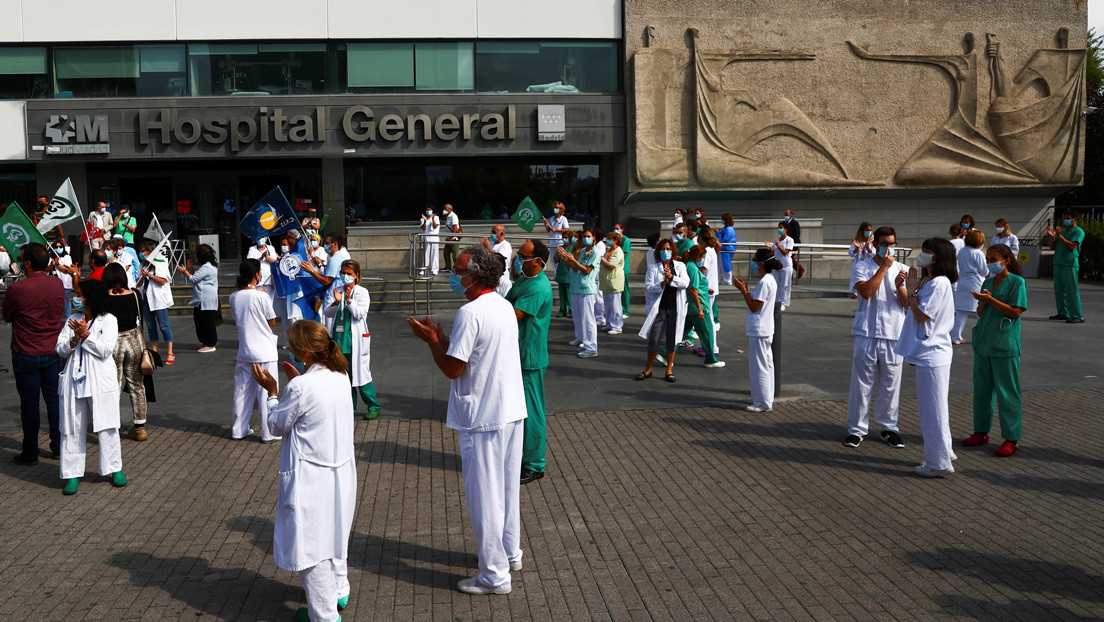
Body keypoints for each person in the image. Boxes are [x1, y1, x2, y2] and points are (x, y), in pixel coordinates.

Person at [407, 246, 526, 595]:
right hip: (509, 410)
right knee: (505, 489)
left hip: (483, 416)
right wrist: (443, 339)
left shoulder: (470, 312)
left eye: (458, 269)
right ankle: (509, 552)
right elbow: (472, 352)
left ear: (474, 276)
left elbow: (454, 368)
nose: (454, 274)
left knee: (485, 495)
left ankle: (494, 574)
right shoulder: (503, 305)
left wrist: (431, 342)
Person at [251, 320, 356, 621]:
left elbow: (276, 425)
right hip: (341, 471)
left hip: (311, 477)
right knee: (335, 535)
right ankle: (339, 590)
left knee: (312, 546)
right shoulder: (340, 375)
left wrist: (273, 391)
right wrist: (297, 383)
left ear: (304, 351)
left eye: (293, 345)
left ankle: (324, 616)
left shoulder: (301, 386)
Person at [56, 279, 127, 494]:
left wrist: (85, 335)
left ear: (91, 298)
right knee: (72, 427)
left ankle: (114, 468)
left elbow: (105, 350)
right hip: (74, 380)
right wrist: (73, 339)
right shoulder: (73, 318)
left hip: (99, 380)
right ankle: (72, 474)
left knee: (107, 425)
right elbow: (60, 349)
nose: (76, 299)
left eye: (80, 295)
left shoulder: (109, 320)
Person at [842, 226, 908, 449]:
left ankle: (889, 427)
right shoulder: (862, 266)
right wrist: (883, 269)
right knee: (862, 384)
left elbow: (907, 304)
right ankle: (856, 429)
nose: (888, 247)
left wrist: (900, 286)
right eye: (883, 243)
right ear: (875, 244)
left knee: (890, 383)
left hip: (893, 334)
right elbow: (866, 292)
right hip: (867, 333)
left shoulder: (903, 269)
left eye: (891, 243)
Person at [900, 238, 958, 477]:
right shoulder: (930, 280)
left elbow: (922, 314)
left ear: (938, 256)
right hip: (928, 352)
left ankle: (938, 462)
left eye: (927, 251)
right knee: (935, 408)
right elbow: (912, 306)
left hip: (933, 354)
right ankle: (944, 452)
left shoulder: (939, 283)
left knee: (932, 411)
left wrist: (912, 293)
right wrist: (909, 290)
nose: (922, 254)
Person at [3, 243, 65, 465]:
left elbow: (7, 315)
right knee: (55, 401)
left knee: (29, 405)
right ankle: (59, 447)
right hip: (52, 350)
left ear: (27, 263)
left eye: (21, 259)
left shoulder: (17, 289)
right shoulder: (57, 283)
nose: (19, 262)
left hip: (26, 352)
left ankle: (30, 452)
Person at [963, 244, 1027, 458]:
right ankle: (981, 431)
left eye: (993, 258)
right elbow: (981, 313)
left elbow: (1016, 311)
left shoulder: (1017, 283)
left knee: (1007, 392)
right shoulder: (988, 282)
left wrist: (991, 300)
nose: (990, 262)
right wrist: (982, 301)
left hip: (1004, 344)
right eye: (988, 258)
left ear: (1006, 260)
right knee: (982, 390)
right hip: (984, 342)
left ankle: (1011, 438)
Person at [505, 240, 553, 485]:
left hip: (529, 357)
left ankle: (535, 464)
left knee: (532, 412)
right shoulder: (525, 279)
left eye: (522, 255)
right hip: (519, 354)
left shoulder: (539, 287)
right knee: (521, 411)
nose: (517, 258)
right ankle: (522, 456)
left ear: (537, 261)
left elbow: (513, 314)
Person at [322, 259, 382, 420]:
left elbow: (360, 314)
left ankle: (373, 406)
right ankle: (350, 407)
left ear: (356, 275)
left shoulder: (362, 292)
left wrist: (349, 300)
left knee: (362, 375)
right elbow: (326, 312)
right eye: (343, 273)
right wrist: (336, 302)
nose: (345, 276)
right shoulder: (336, 290)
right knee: (343, 376)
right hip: (339, 340)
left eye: (348, 274)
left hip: (356, 340)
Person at [230, 259, 280, 442]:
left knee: (242, 391)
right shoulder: (261, 296)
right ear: (257, 274)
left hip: (245, 349)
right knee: (266, 391)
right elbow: (271, 322)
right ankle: (269, 432)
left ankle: (238, 429)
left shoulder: (234, 296)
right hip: (264, 349)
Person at [103, 263, 148, 442]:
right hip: (134, 341)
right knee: (136, 384)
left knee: (113, 384)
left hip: (113, 343)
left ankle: (112, 424)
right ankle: (140, 427)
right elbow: (140, 320)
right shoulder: (135, 295)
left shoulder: (103, 297)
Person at [734, 248, 781, 412]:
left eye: (754, 260)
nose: (753, 263)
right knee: (767, 364)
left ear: (761, 264)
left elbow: (754, 306)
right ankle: (762, 396)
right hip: (765, 328)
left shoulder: (765, 282)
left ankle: (762, 402)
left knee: (759, 366)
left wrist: (743, 291)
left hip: (760, 329)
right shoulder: (770, 279)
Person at [636, 238, 689, 381]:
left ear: (673, 251)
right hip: (659, 308)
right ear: (659, 251)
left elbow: (685, 283)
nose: (666, 251)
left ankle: (669, 369)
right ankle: (648, 368)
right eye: (663, 249)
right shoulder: (653, 267)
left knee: (672, 339)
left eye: (668, 249)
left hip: (675, 308)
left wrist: (672, 278)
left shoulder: (679, 266)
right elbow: (649, 288)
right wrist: (663, 282)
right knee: (654, 338)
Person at [557, 229, 601, 358]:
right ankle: (580, 337)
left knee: (588, 319)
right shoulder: (582, 251)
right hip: (576, 286)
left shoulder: (596, 253)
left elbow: (586, 270)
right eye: (584, 236)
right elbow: (574, 268)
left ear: (594, 238)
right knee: (577, 315)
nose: (586, 238)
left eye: (588, 236)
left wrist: (572, 260)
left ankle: (592, 347)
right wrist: (566, 259)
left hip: (586, 289)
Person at [682, 245, 724, 368]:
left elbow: (697, 286)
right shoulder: (693, 268)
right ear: (697, 256)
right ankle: (711, 359)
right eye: (702, 257)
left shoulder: (690, 266)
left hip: (692, 306)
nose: (703, 259)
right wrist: (700, 309)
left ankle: (664, 354)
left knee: (681, 334)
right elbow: (693, 289)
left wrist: (706, 288)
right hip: (698, 306)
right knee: (707, 334)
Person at [138, 242, 175, 365]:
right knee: (150, 326)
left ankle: (170, 352)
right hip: (146, 298)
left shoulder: (160, 263)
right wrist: (143, 276)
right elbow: (138, 284)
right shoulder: (142, 265)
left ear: (151, 252)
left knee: (164, 326)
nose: (142, 253)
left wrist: (150, 275)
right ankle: (155, 351)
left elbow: (162, 281)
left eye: (144, 251)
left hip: (159, 299)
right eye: (141, 251)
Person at [178, 244, 219, 353]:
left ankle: (210, 343)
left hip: (205, 298)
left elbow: (194, 279)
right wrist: (190, 268)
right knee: (201, 320)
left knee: (207, 321)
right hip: (204, 298)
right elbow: (198, 277)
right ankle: (206, 341)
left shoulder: (206, 267)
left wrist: (184, 271)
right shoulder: (209, 266)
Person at [1047, 212, 1085, 323]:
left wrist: (1059, 235)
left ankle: (1077, 315)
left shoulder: (1078, 231)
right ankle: (1063, 313)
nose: (1066, 220)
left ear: (1075, 219)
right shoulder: (1062, 231)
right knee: (1059, 290)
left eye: (1068, 218)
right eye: (1065, 218)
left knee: (1071, 290)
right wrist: (1053, 236)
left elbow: (1071, 245)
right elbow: (1052, 247)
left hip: (1070, 264)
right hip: (1058, 263)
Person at [952, 230, 987, 344]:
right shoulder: (978, 253)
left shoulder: (962, 251)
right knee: (980, 311)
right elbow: (984, 271)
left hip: (962, 282)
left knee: (961, 312)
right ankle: (984, 335)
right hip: (976, 282)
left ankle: (955, 337)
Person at [598, 231, 625, 335]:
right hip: (607, 282)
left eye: (610, 239)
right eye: (607, 238)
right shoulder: (609, 251)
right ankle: (609, 324)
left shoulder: (618, 252)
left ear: (616, 240)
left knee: (615, 306)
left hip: (614, 282)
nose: (608, 240)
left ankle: (617, 326)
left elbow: (610, 265)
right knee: (608, 305)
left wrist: (600, 257)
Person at [766, 221, 794, 310]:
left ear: (786, 229)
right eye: (778, 227)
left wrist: (777, 245)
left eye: (781, 227)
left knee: (785, 284)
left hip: (786, 265)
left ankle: (783, 302)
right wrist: (770, 247)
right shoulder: (777, 239)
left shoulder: (789, 240)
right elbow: (774, 253)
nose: (779, 229)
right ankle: (776, 300)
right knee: (776, 283)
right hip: (777, 265)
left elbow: (785, 252)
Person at [49, 240, 77, 320]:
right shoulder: (50, 257)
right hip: (53, 284)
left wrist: (57, 264)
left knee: (66, 302)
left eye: (60, 247)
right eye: (56, 247)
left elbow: (66, 270)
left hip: (64, 283)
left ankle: (68, 319)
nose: (58, 248)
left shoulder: (67, 257)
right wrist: (52, 264)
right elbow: (47, 269)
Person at [553, 230, 575, 318]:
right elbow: (555, 260)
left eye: (566, 237)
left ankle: (571, 310)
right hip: (561, 272)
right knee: (561, 294)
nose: (564, 239)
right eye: (563, 238)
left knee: (569, 293)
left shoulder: (574, 248)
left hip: (569, 272)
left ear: (570, 238)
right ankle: (562, 310)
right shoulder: (561, 248)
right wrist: (559, 255)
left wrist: (565, 255)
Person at [612, 222, 631, 316]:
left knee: (624, 290)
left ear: (622, 229)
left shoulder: (625, 240)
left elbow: (623, 254)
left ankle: (625, 310)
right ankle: (619, 309)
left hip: (623, 269)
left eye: (617, 228)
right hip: (616, 269)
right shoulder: (615, 240)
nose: (615, 230)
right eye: (614, 228)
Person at [544, 201, 570, 267]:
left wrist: (556, 230)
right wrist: (546, 225)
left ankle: (558, 273)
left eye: (557, 208)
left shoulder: (563, 219)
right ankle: (555, 273)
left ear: (561, 209)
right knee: (552, 257)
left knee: (559, 257)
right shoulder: (552, 218)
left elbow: (566, 229)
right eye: (554, 207)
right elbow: (549, 230)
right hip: (552, 240)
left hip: (559, 241)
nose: (555, 209)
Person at [717, 214, 739, 287]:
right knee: (722, 264)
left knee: (726, 264)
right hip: (726, 248)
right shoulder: (727, 228)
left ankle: (728, 280)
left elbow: (724, 239)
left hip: (726, 249)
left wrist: (718, 233)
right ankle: (724, 279)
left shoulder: (728, 229)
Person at [421, 205, 441, 276]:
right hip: (426, 238)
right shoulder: (423, 218)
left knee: (434, 254)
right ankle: (424, 269)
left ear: (432, 210)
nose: (428, 211)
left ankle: (435, 269)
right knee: (426, 254)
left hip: (434, 238)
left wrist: (432, 219)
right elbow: (423, 228)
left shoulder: (436, 217)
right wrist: (425, 221)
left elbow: (435, 226)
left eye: (429, 209)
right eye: (427, 210)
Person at [442, 203, 461, 270]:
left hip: (453, 238)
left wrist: (451, 237)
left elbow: (455, 228)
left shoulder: (453, 216)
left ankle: (457, 268)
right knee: (446, 253)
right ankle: (448, 266)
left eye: (445, 209)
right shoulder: (448, 216)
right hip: (449, 238)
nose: (444, 210)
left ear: (450, 209)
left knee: (455, 254)